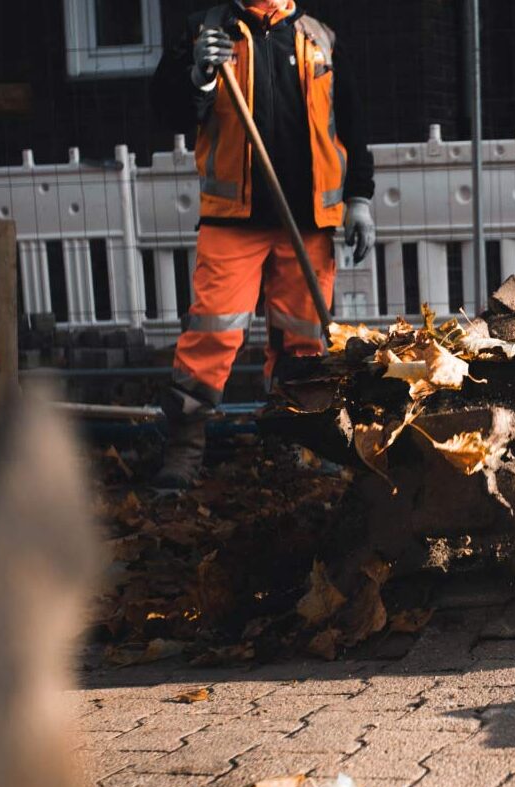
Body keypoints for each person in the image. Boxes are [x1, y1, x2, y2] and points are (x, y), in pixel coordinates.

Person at [148, 0, 376, 489]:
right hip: (234, 223)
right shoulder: (205, 30)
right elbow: (165, 110)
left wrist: (360, 198)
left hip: (307, 225)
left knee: (305, 342)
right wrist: (199, 75)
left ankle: (298, 445)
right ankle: (184, 450)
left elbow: (352, 121)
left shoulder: (321, 39)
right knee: (212, 333)